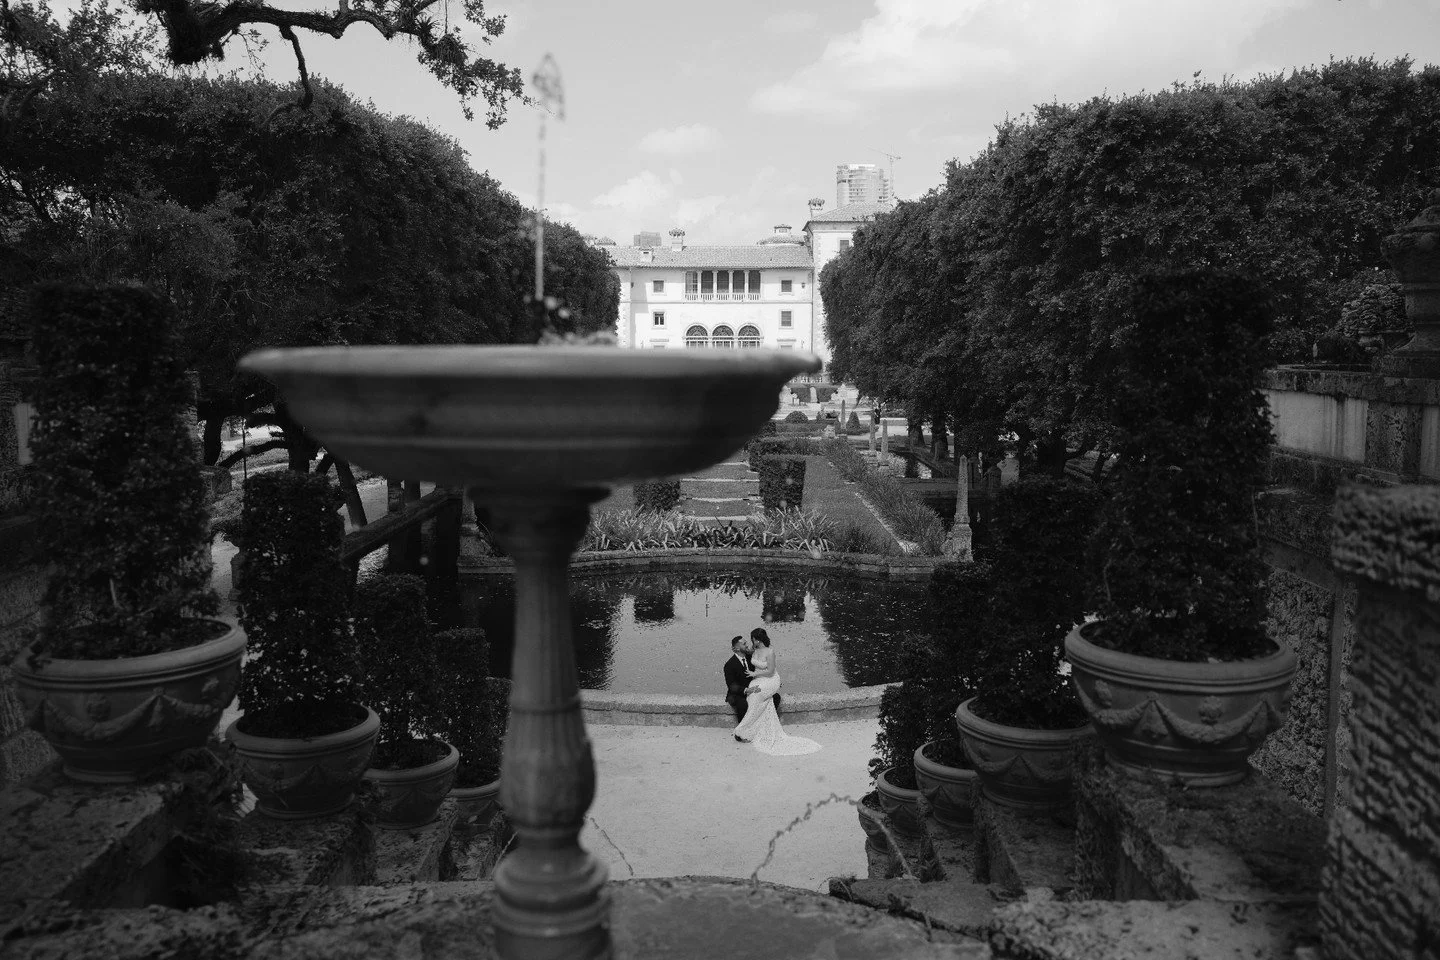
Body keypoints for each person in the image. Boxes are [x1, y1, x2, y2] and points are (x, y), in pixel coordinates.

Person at [732, 627, 820, 756]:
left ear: (757, 640)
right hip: (758, 679)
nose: (751, 641)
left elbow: (771, 671)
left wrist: (753, 673)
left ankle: (742, 729)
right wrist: (738, 650)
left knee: (757, 695)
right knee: (753, 696)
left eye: (752, 639)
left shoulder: (770, 652)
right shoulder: (754, 649)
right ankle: (754, 729)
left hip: (770, 679)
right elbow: (744, 652)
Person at [723, 635, 753, 732]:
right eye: (744, 644)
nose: (747, 645)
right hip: (737, 693)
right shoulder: (729, 665)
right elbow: (732, 686)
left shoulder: (751, 658)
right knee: (743, 704)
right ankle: (742, 731)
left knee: (775, 697)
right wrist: (746, 690)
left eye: (746, 643)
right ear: (736, 648)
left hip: (753, 689)